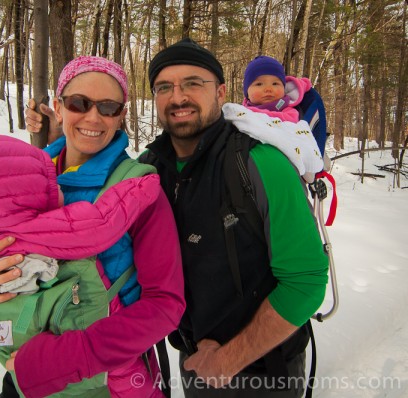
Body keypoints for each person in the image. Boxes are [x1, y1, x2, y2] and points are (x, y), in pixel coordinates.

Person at [26, 39, 329, 397]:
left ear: (220, 92)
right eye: (164, 87)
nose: (178, 96)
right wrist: (60, 136)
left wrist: (229, 359)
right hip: (192, 360)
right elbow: (83, 207)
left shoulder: (260, 163)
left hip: (265, 369)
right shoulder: (149, 168)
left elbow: (306, 280)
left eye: (193, 83)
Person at [0, 55, 185, 398]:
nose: (93, 117)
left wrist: (62, 360)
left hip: (107, 381)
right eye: (78, 103)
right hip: (23, 378)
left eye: (108, 107)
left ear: (122, 114)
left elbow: (165, 305)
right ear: (58, 106)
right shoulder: (29, 175)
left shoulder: (137, 188)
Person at [0, 133, 162, 296]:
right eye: (51, 185)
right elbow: (100, 224)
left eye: (108, 107)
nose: (58, 185)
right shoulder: (42, 226)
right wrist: (142, 187)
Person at [221, 55, 324, 183]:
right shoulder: (242, 113)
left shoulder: (290, 111)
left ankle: (306, 163)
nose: (268, 88)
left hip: (286, 170)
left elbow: (296, 133)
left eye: (275, 83)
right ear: (247, 91)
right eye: (259, 84)